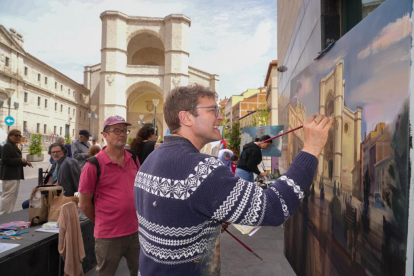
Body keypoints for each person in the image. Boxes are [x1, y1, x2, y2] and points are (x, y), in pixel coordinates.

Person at [134, 84, 334, 275]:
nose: (220, 117)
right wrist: (311, 149)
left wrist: (205, 225)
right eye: (213, 110)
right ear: (186, 117)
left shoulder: (151, 159)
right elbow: (274, 207)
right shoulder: (201, 169)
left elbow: (167, 214)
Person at [79, 115, 140, 276]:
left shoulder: (133, 158)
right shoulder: (93, 165)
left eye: (124, 131)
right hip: (109, 235)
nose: (122, 134)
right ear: (104, 135)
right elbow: (84, 204)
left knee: (142, 271)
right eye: (116, 131)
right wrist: (102, 220)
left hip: (136, 231)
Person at [0, 129, 33, 215]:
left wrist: (25, 162)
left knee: (13, 196)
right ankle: (3, 214)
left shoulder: (14, 146)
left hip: (15, 175)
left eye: (19, 135)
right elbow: (5, 160)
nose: (18, 137)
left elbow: (16, 160)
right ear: (10, 136)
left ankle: (9, 214)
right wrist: (20, 160)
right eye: (16, 135)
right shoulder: (7, 146)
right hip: (9, 175)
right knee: (7, 196)